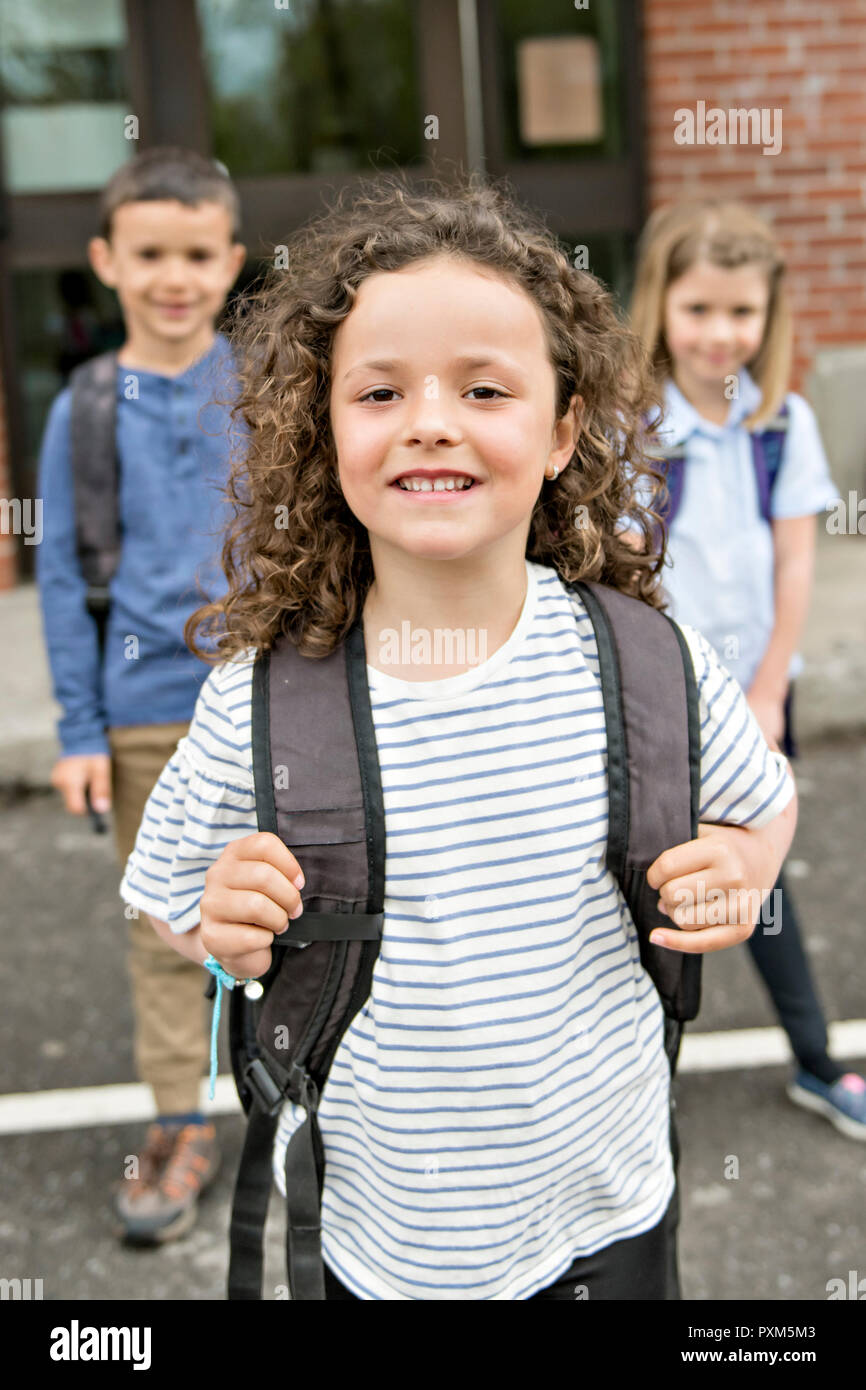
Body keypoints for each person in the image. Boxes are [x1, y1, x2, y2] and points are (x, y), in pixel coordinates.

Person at [119, 175, 796, 1300]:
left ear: (562, 425)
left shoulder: (642, 661)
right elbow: (163, 892)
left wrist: (739, 872)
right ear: (322, 425)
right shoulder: (260, 698)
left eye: (483, 388)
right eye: (379, 393)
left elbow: (762, 804)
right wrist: (222, 925)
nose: (430, 418)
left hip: (610, 1213)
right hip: (385, 1248)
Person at [35, 146, 247, 1243]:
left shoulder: (266, 391)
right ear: (107, 261)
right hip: (146, 714)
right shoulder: (82, 410)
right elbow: (66, 580)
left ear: (232, 262)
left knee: (302, 908)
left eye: (198, 254)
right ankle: (181, 1118)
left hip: (268, 705)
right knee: (166, 923)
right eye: (151, 253)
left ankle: (334, 1099)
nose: (176, 276)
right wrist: (78, 729)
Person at [629, 198, 866, 1139]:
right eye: (699, 310)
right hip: (656, 697)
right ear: (661, 307)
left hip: (754, 695)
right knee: (643, 882)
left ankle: (815, 1062)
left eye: (742, 313)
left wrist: (770, 689)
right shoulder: (631, 427)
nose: (721, 334)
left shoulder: (783, 426)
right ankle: (634, 1081)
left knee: (760, 879)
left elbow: (795, 561)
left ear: (769, 319)